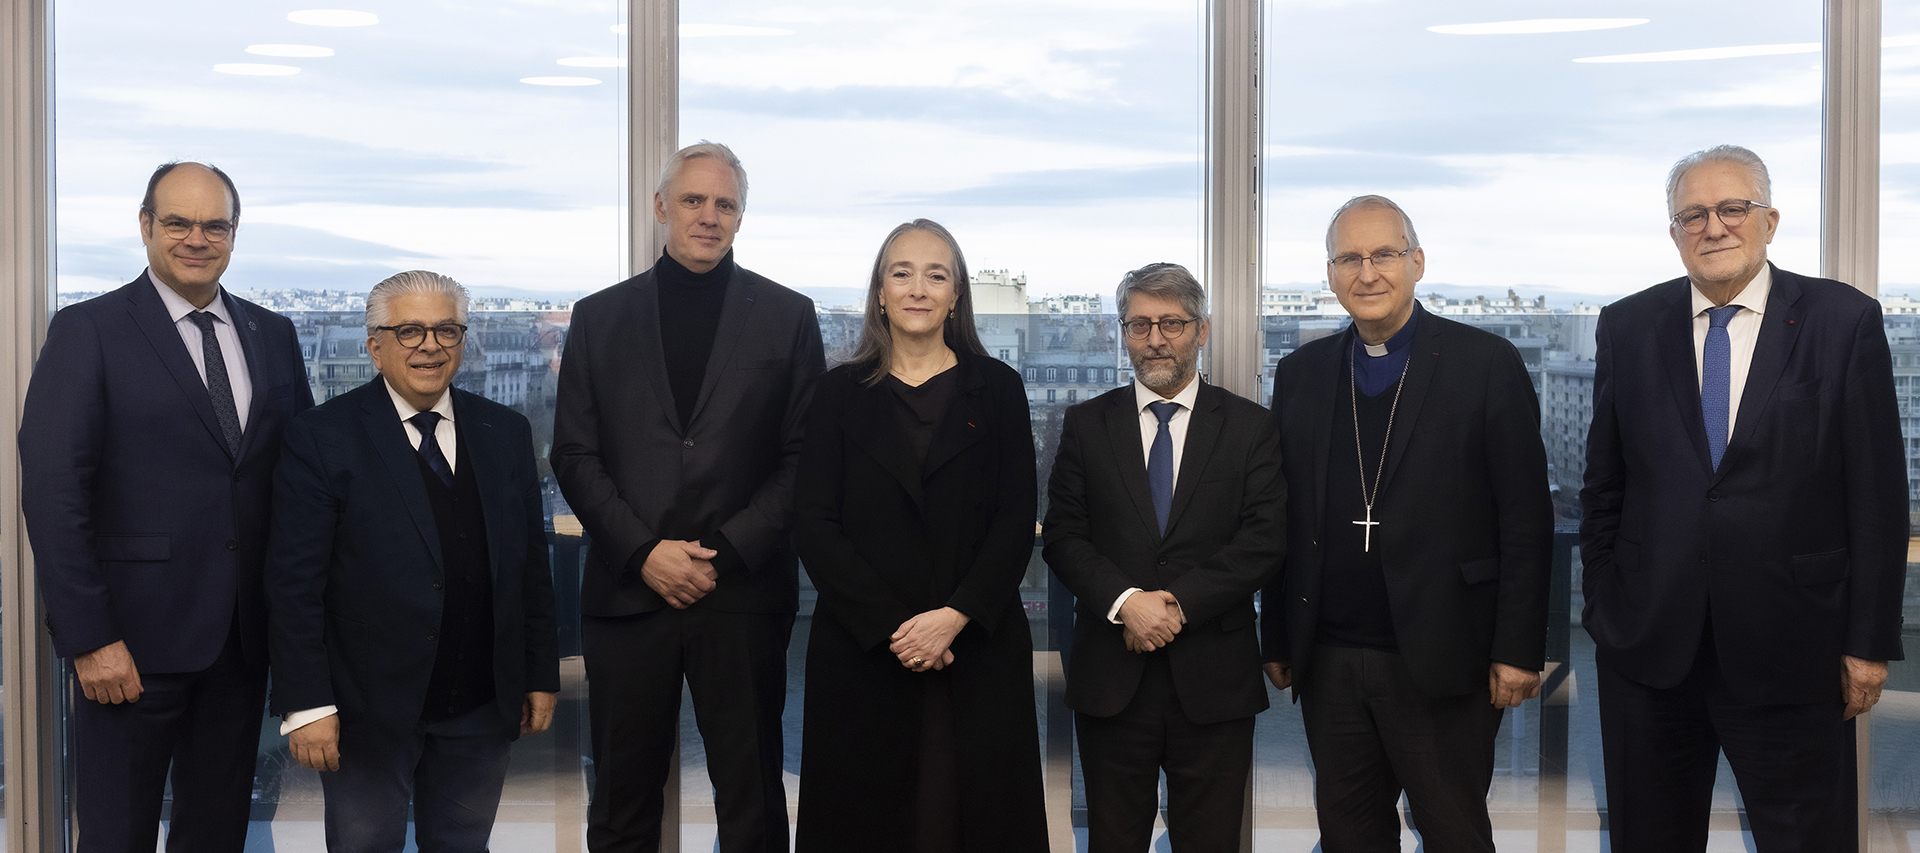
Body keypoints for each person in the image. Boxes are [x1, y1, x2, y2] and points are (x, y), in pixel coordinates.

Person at [1580, 145, 1908, 851]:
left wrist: (1869, 642)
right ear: (1674, 233)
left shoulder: (1842, 320)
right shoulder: (1628, 325)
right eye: (1693, 215)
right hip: (1649, 649)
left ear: (1770, 220)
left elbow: (1878, 496)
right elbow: (1604, 486)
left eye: (1733, 208)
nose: (1714, 227)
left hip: (1796, 647)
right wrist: (1606, 607)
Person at [17, 162, 312, 851]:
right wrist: (89, 637)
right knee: (117, 836)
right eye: (178, 222)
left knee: (216, 834)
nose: (196, 239)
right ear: (146, 226)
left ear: (234, 233)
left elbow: (298, 481)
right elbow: (54, 492)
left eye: (215, 225)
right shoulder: (88, 329)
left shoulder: (272, 333)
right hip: (129, 647)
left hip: (241, 643)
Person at [553, 141, 825, 853]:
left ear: (741, 217)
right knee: (621, 806)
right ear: (660, 207)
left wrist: (724, 553)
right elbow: (573, 454)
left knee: (752, 805)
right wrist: (645, 552)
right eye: (694, 200)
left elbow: (805, 459)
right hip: (627, 593)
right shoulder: (598, 317)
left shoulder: (789, 316)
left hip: (742, 595)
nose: (709, 215)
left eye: (725, 204)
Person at [1258, 195, 1551, 850]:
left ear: (1416, 262)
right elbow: (1284, 515)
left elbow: (1525, 517)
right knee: (1348, 836)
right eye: (1349, 259)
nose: (1367, 273)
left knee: (1453, 833)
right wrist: (1276, 634)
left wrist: (1517, 648)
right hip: (1329, 657)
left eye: (1383, 254)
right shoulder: (1302, 373)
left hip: (1447, 654)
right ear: (1330, 274)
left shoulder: (1485, 363)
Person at [265, 271, 560, 851]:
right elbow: (293, 585)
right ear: (375, 347)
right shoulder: (322, 436)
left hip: (480, 705)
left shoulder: (505, 431)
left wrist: (538, 674)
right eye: (410, 331)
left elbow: (529, 567)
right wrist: (307, 704)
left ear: (464, 342)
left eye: (447, 330)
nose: (431, 346)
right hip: (365, 712)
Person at [791, 220, 1047, 853]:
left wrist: (954, 616)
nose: (918, 288)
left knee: (974, 819)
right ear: (879, 292)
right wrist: (897, 629)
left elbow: (1016, 518)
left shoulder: (999, 389)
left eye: (937, 275)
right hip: (865, 649)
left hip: (976, 647)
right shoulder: (836, 393)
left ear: (956, 296)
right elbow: (814, 522)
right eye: (901, 273)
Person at [1042, 262, 1285, 852]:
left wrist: (1175, 605)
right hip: (1111, 679)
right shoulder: (1086, 424)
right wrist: (1127, 603)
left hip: (1215, 679)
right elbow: (1064, 536)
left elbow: (1265, 539)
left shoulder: (1250, 427)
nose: (1155, 338)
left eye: (1171, 323)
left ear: (1202, 331)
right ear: (1123, 333)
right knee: (1112, 840)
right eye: (1140, 324)